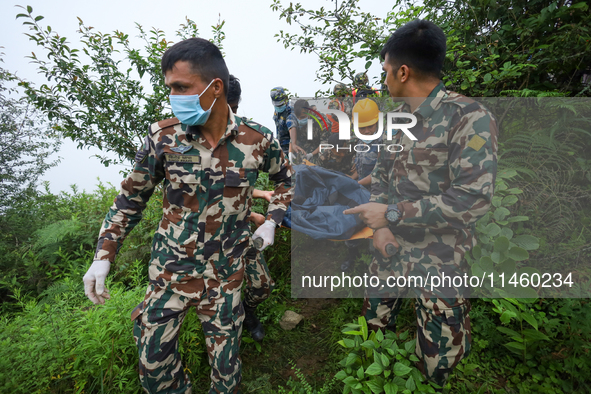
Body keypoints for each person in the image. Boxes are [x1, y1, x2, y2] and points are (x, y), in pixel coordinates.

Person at [82, 37, 293, 394]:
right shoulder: (163, 138)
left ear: (215, 88)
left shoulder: (257, 140)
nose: (173, 97)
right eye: (170, 88)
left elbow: (287, 181)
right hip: (170, 274)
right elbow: (130, 199)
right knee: (154, 369)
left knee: (227, 377)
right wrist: (104, 254)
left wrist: (272, 219)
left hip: (226, 276)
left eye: (181, 87)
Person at [344, 19, 497, 389]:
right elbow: (381, 174)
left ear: (402, 71)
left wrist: (393, 214)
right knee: (373, 332)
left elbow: (472, 199)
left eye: (384, 72)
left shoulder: (469, 118)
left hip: (440, 259)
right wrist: (380, 227)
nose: (383, 81)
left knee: (437, 365)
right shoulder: (399, 122)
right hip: (390, 249)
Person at [227, 75, 277, 342]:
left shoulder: (252, 138)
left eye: (232, 107)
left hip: (239, 231)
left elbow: (235, 183)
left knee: (262, 285)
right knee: (222, 300)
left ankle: (249, 312)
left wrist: (260, 209)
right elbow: (208, 195)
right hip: (202, 241)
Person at [350, 98, 383, 189]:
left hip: (377, 192)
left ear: (377, 122)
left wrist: (356, 184)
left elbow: (380, 174)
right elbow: (361, 168)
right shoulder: (360, 142)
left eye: (370, 126)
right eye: (362, 128)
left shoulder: (383, 142)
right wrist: (351, 179)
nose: (367, 131)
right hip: (362, 188)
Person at [288, 99, 329, 164]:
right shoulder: (295, 119)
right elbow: (293, 138)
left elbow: (325, 143)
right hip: (306, 145)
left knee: (324, 154)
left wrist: (311, 154)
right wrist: (290, 152)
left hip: (319, 147)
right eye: (298, 117)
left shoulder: (321, 121)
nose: (300, 120)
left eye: (302, 117)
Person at [271, 86, 295, 158]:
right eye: (277, 105)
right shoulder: (277, 110)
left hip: (291, 149)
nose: (279, 107)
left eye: (280, 105)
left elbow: (293, 131)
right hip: (281, 147)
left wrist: (291, 152)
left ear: (286, 99)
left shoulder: (291, 111)